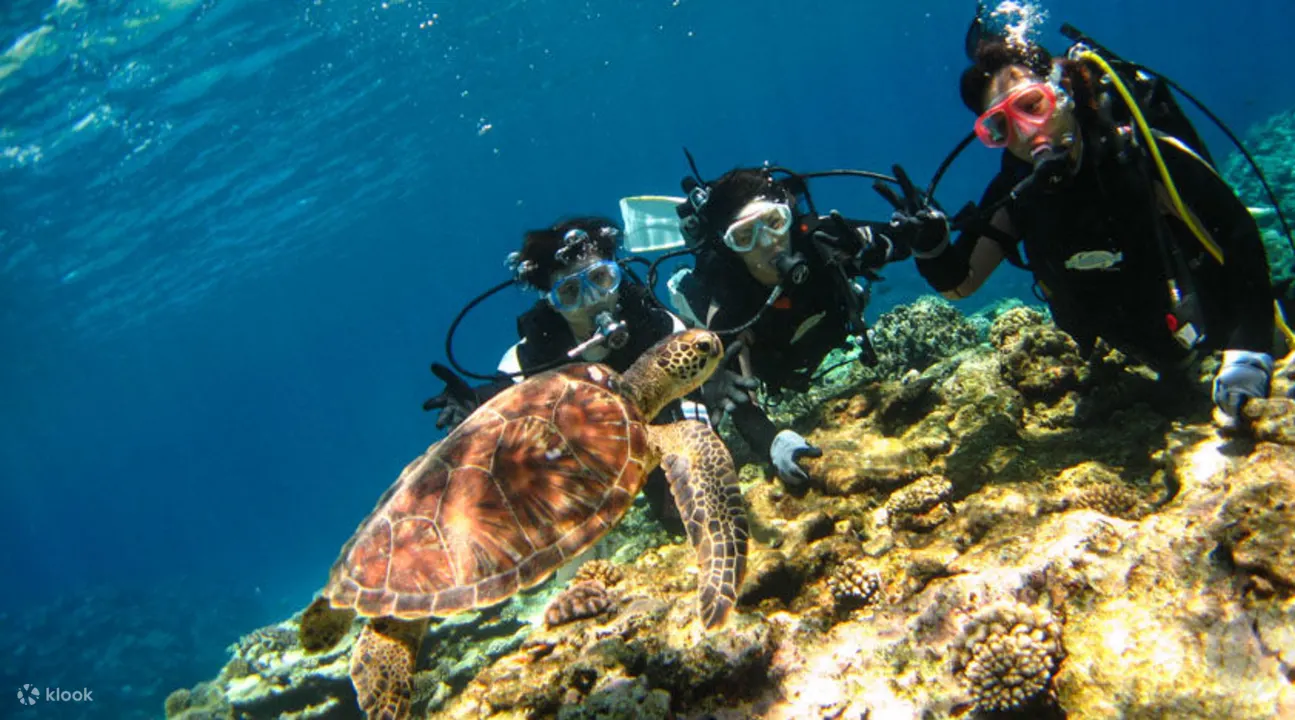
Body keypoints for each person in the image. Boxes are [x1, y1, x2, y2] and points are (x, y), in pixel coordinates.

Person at [895, 33, 1288, 420]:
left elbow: (1237, 236)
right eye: (1001, 126)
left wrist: (1249, 347)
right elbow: (961, 283)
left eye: (1032, 105)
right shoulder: (1016, 191)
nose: (1026, 132)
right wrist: (931, 249)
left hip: (1215, 338)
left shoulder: (1139, 156)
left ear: (1063, 92)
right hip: (1134, 357)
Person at [670, 166, 914, 487]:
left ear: (789, 218)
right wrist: (773, 443)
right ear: (730, 248)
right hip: (772, 362)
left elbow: (898, 239)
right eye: (744, 236)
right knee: (707, 342)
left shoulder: (823, 240)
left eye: (774, 222)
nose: (768, 243)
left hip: (818, 335)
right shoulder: (729, 301)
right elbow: (741, 401)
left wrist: (926, 237)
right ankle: (682, 288)